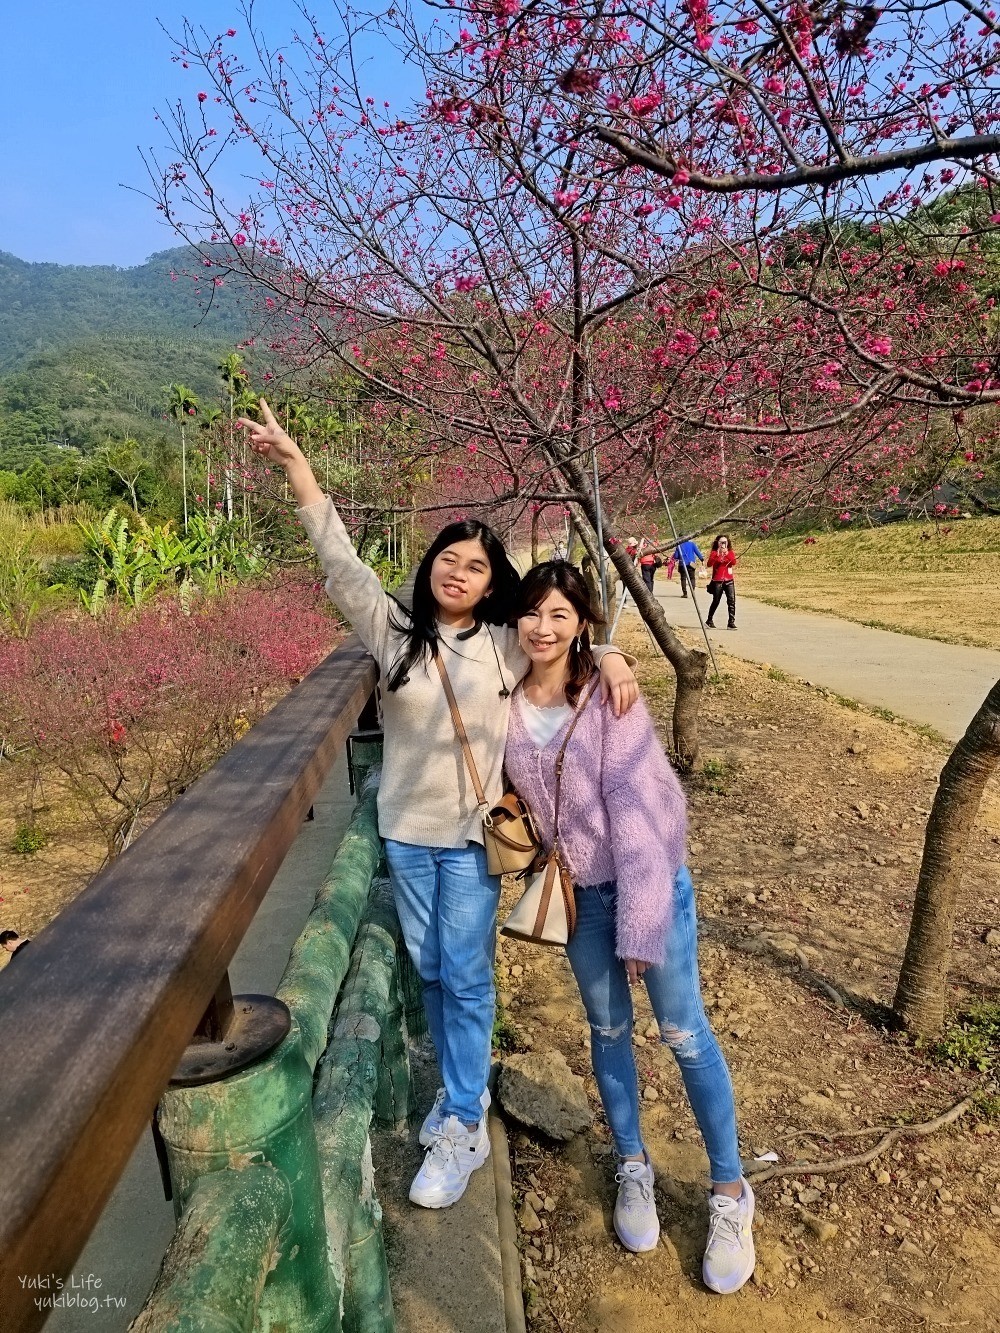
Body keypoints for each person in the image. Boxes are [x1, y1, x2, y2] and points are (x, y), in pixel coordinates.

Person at [238, 400, 639, 1210]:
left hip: (472, 840)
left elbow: (564, 636)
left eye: (477, 566)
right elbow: (342, 564)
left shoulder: (500, 643)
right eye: (448, 560)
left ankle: (460, 1116)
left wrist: (616, 650)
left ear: (495, 585)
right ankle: (461, 1092)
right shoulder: (396, 634)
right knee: (432, 970)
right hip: (405, 836)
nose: (458, 572)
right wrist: (297, 467)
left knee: (464, 971)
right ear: (429, 567)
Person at [504, 561, 756, 1294]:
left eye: (560, 614)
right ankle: (633, 1164)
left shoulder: (609, 696)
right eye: (532, 613)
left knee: (683, 1033)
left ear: (582, 621)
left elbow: (646, 812)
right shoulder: (509, 701)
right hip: (580, 901)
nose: (543, 627)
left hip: (647, 892)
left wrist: (642, 926)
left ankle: (731, 1191)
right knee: (608, 1032)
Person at [706, 534, 737, 630]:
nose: (723, 544)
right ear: (717, 543)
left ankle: (731, 622)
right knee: (716, 600)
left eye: (725, 542)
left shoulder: (730, 552)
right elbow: (709, 564)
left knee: (731, 600)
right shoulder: (714, 553)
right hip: (717, 580)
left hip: (729, 579)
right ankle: (709, 620)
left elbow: (733, 562)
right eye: (721, 542)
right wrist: (718, 554)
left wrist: (727, 553)